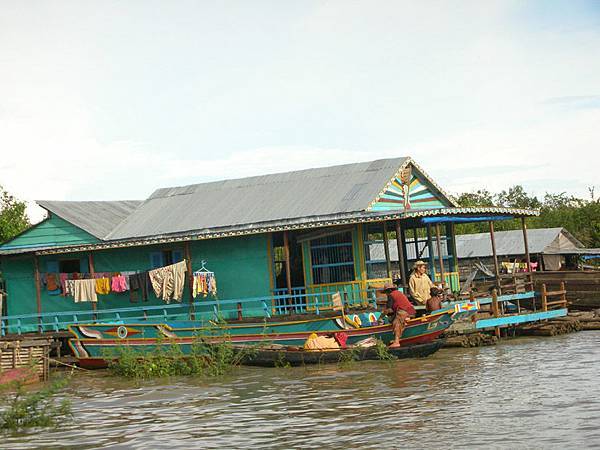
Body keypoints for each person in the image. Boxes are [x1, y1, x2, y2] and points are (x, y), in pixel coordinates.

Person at [379, 283, 416, 348]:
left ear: (389, 291)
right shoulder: (399, 293)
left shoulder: (391, 295)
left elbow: (388, 310)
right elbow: (392, 310)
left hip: (403, 311)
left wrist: (380, 317)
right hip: (411, 311)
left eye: (386, 292)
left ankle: (396, 341)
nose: (386, 294)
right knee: (395, 320)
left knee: (396, 322)